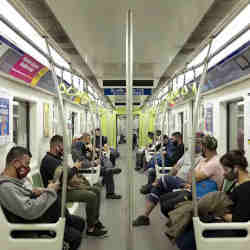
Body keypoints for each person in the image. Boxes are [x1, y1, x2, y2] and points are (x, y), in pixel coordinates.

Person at [0, 146, 84, 250]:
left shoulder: (15, 182)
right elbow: (29, 210)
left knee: (80, 222)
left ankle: (67, 220)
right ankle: (67, 223)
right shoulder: (6, 187)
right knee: (76, 236)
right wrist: (49, 192)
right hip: (30, 224)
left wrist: (36, 192)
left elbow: (23, 197)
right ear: (16, 163)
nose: (28, 168)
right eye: (26, 163)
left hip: (41, 217)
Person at [133, 134, 223, 227]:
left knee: (162, 181)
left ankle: (150, 204)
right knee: (162, 187)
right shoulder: (197, 158)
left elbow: (191, 178)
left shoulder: (210, 161)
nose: (196, 145)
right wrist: (191, 175)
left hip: (195, 190)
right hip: (187, 183)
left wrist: (191, 175)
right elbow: (178, 167)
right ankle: (148, 212)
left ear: (204, 147)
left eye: (199, 143)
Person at [176, 150, 250, 250]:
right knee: (188, 223)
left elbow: (239, 220)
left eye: (226, 170)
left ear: (236, 169)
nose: (223, 173)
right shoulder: (237, 183)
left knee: (188, 239)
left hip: (237, 231)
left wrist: (217, 211)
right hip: (227, 223)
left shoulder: (245, 190)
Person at [40, 135, 107, 236]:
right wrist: (75, 168)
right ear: (57, 146)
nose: (64, 149)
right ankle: (91, 228)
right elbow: (64, 177)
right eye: (63, 146)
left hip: (67, 187)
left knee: (97, 189)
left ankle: (94, 221)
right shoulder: (49, 161)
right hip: (58, 193)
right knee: (91, 196)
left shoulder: (57, 158)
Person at [81, 132, 122, 199]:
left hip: (95, 162)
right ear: (83, 139)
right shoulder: (82, 148)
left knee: (106, 162)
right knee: (108, 170)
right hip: (90, 167)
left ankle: (109, 169)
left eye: (88, 139)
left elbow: (94, 154)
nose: (88, 141)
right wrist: (93, 158)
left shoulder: (89, 145)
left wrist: (93, 151)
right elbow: (84, 160)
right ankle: (110, 193)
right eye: (87, 139)